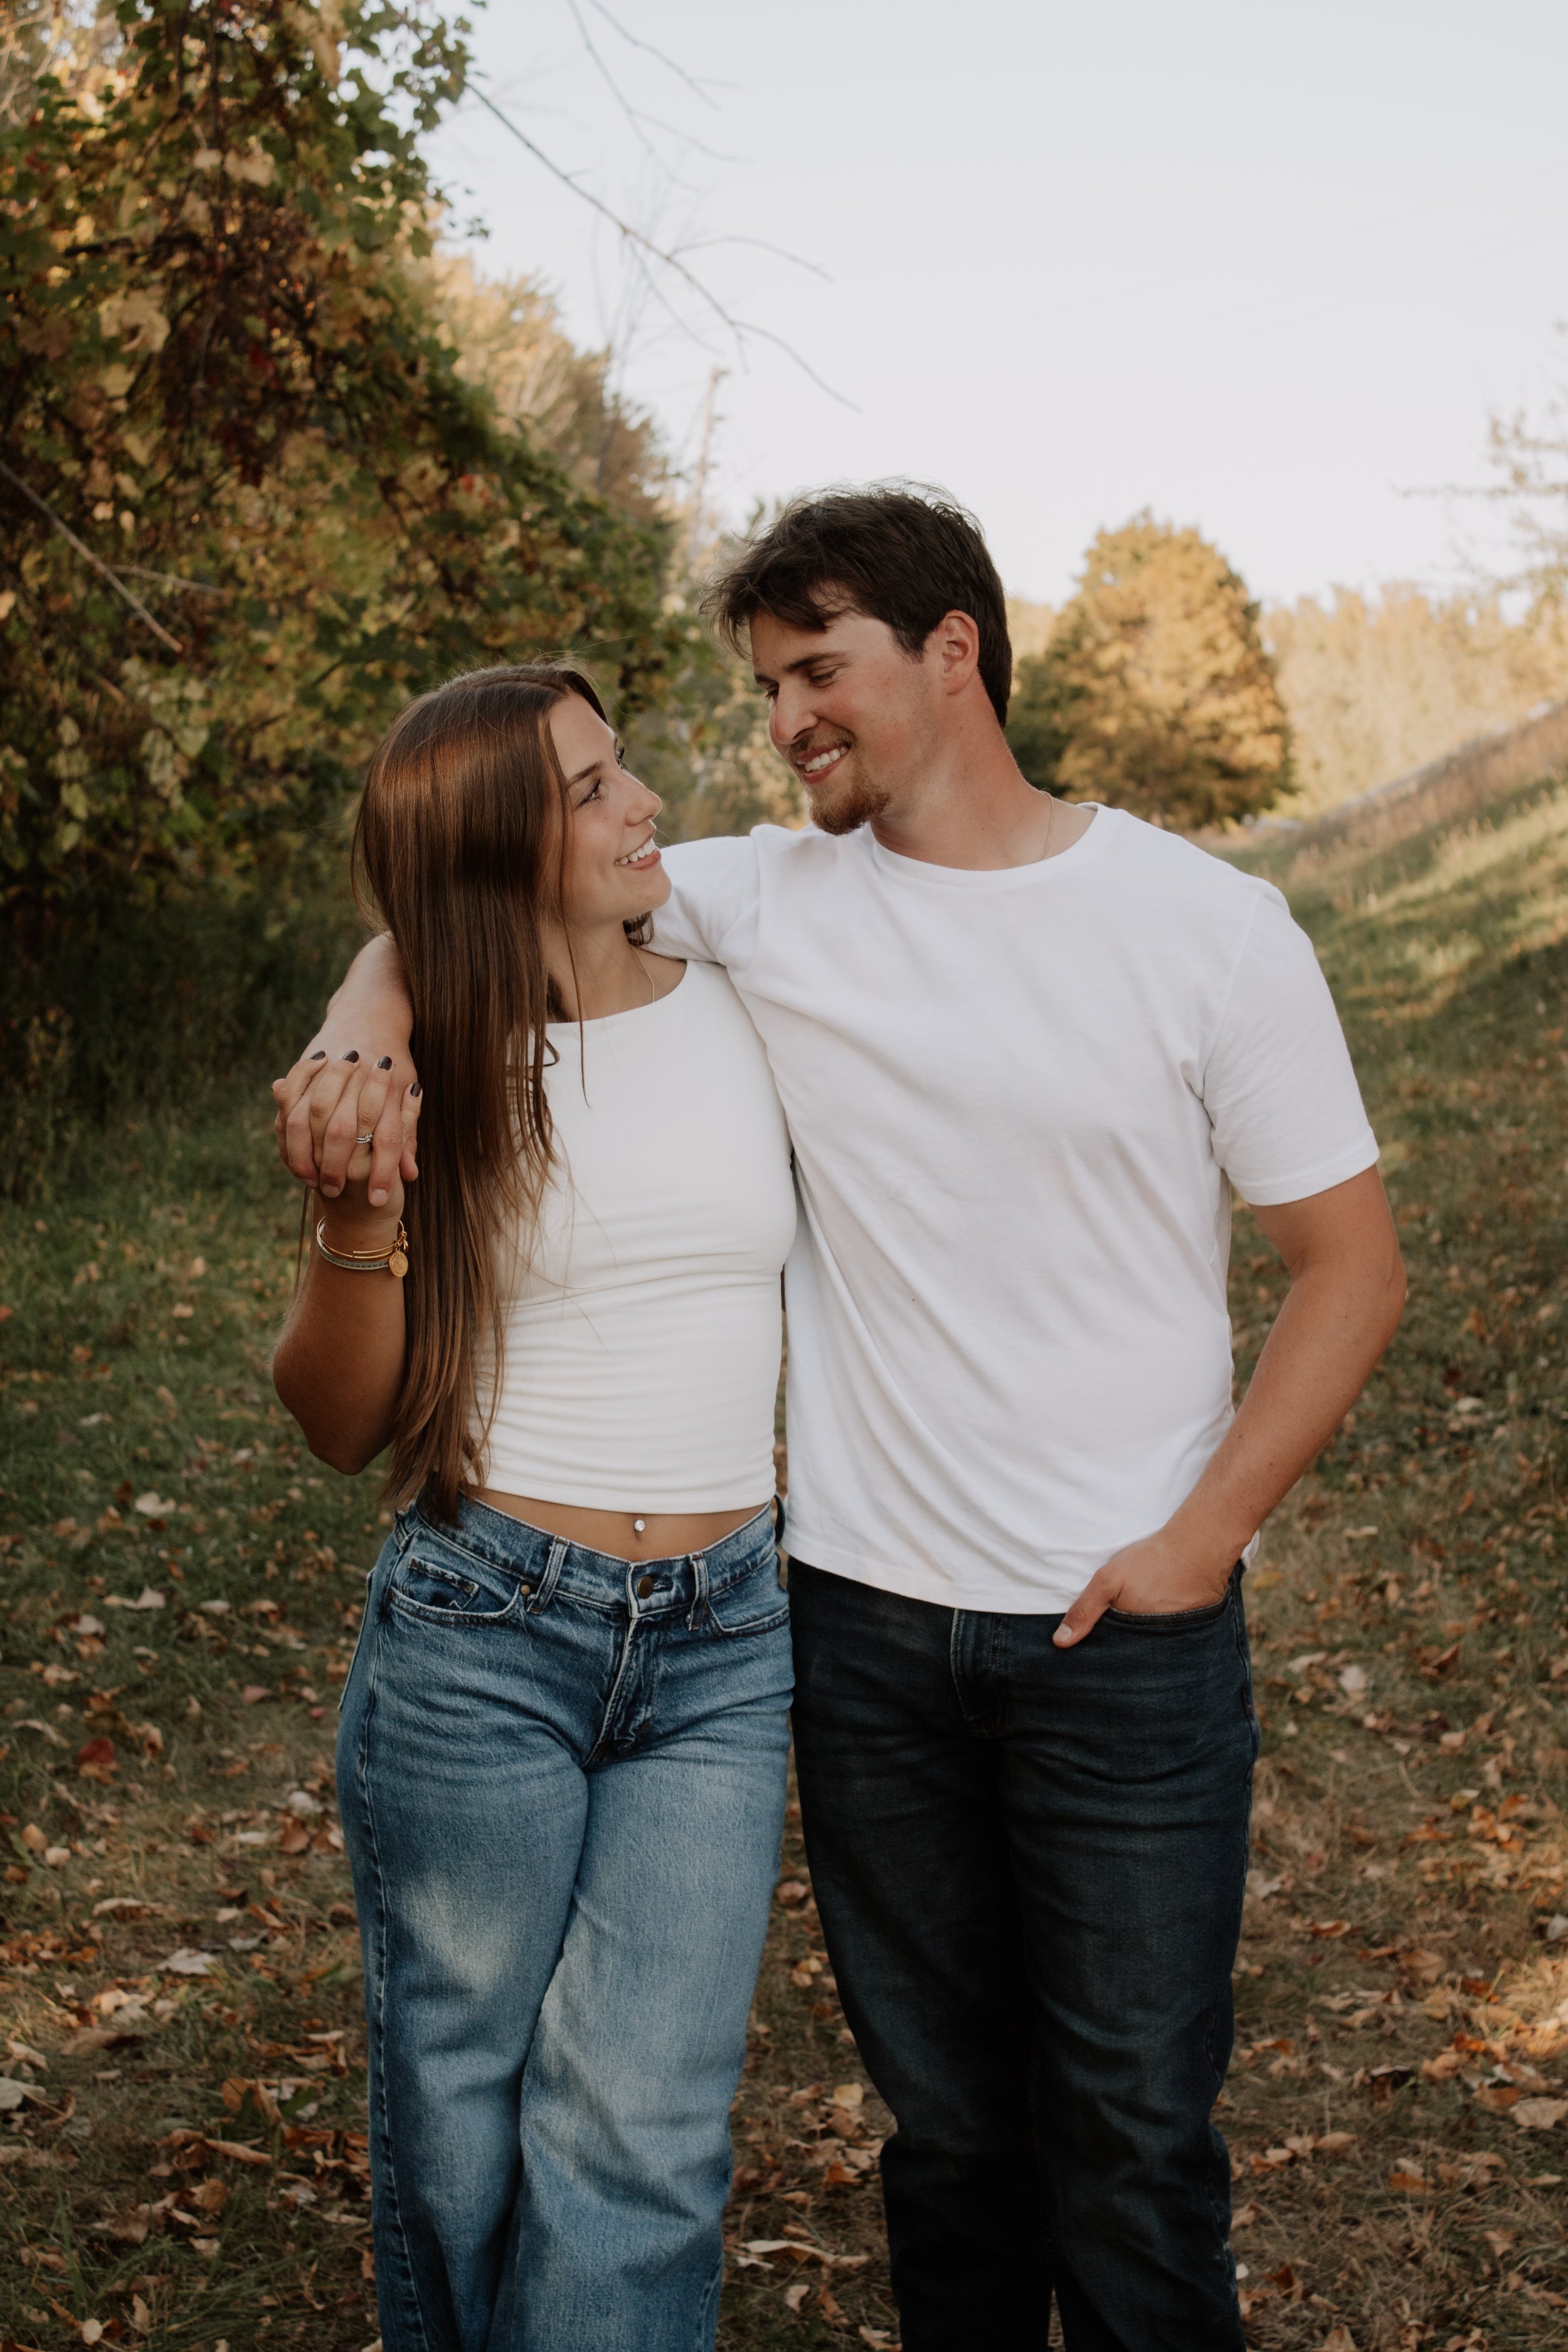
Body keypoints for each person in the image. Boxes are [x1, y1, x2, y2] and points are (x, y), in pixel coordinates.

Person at [277, 489, 1406, 2351]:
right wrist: (365, 1023)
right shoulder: (753, 898)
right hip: (851, 1623)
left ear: (951, 652)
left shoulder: (1206, 927)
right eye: (764, 684)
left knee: (1123, 2137)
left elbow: (1347, 1265)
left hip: (1109, 1631)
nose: (782, 719)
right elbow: (464, 881)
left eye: (819, 671)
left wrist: (1201, 1538)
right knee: (947, 2141)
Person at [270, 662, 797, 2352]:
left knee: (642, 2131)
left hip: (724, 1638)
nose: (642, 802)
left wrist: (374, 976)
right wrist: (359, 1209)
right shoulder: (427, 1055)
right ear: (496, 848)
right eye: (587, 787)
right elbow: (340, 1420)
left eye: (618, 766)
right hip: (484, 1629)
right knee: (457, 2117)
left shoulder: (739, 962)